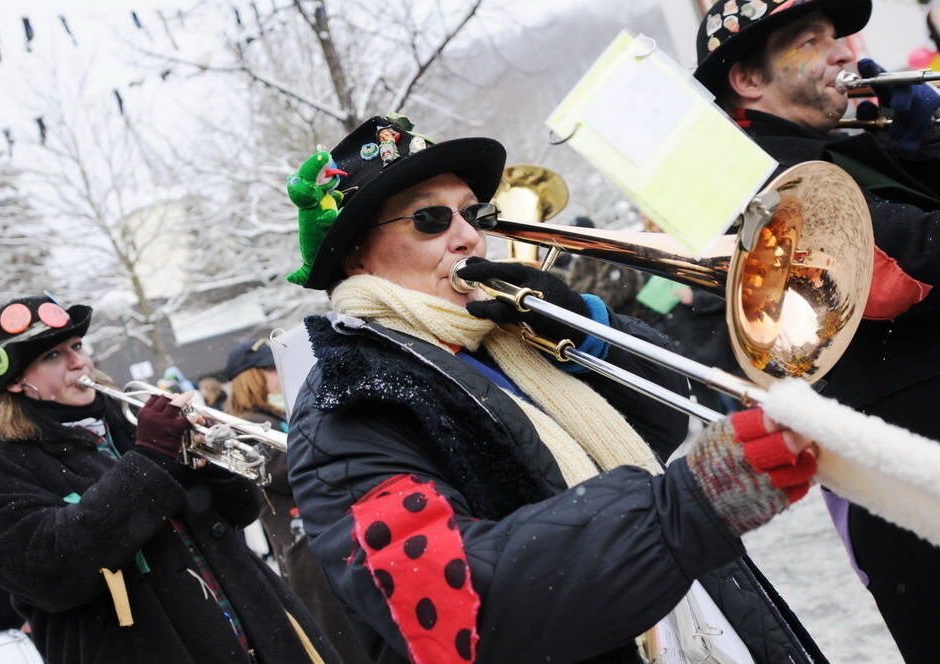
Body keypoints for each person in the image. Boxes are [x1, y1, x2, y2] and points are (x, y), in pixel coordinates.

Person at [284, 114, 827, 663]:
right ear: (356, 254)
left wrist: (585, 329)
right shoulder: (347, 402)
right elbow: (460, 602)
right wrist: (681, 511)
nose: (471, 236)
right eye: (430, 219)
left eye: (475, 213)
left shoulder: (498, 334)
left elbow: (659, 428)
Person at [694, 1, 940, 659]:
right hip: (910, 483)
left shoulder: (856, 145)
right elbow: (907, 263)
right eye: (813, 40)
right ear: (748, 80)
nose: (845, 52)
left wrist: (931, 131)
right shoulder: (756, 180)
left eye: (839, 36)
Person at [0, 295, 340, 664]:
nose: (78, 362)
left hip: (258, 628)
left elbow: (239, 512)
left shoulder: (126, 422)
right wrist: (151, 456)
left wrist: (211, 467)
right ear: (14, 382)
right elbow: (53, 570)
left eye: (77, 347)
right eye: (53, 355)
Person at [225, 339, 371, 663]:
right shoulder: (243, 425)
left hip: (326, 534)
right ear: (249, 378)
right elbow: (286, 470)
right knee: (344, 640)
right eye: (266, 370)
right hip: (302, 546)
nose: (276, 376)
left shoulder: (280, 414)